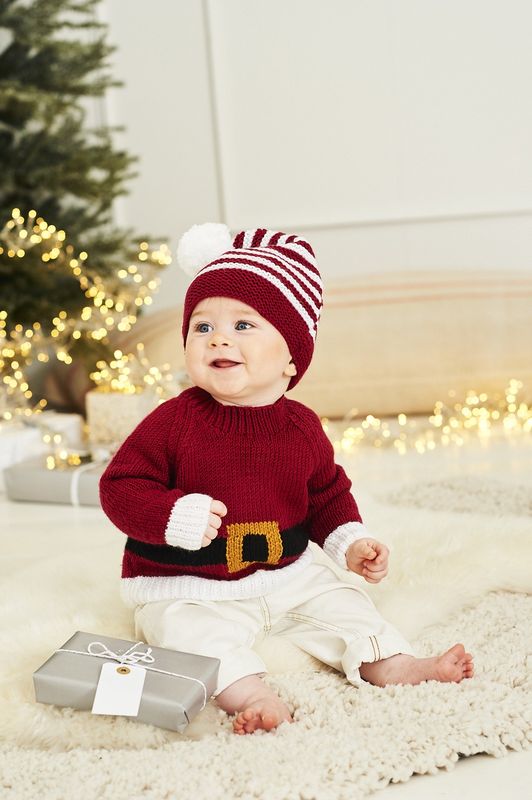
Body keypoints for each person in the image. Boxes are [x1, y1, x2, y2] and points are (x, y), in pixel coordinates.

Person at [99, 223, 474, 735]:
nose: (220, 338)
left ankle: (393, 662)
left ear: (292, 358)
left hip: (286, 575)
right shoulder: (174, 421)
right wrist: (169, 515)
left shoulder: (300, 426)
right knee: (183, 633)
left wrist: (350, 541)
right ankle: (252, 694)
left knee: (345, 603)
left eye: (244, 326)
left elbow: (326, 493)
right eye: (203, 327)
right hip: (191, 584)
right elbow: (120, 485)